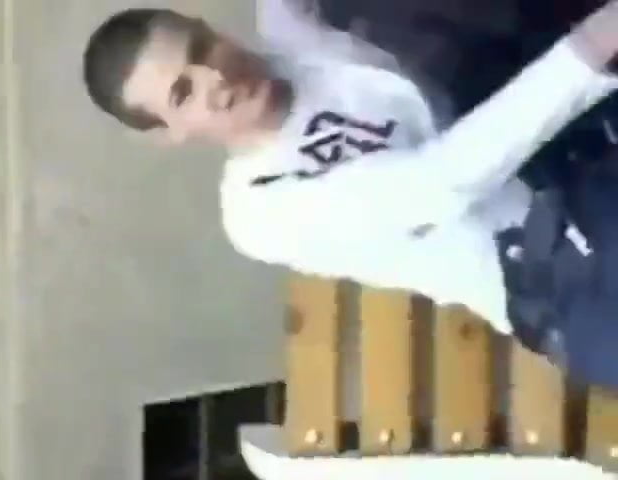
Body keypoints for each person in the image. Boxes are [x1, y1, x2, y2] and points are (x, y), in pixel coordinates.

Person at [83, 2, 618, 387]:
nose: (216, 77)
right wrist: (591, 48)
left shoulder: (296, 39)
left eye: (202, 48)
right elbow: (439, 184)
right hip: (562, 281)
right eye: (184, 93)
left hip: (567, 161)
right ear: (168, 134)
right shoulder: (259, 212)